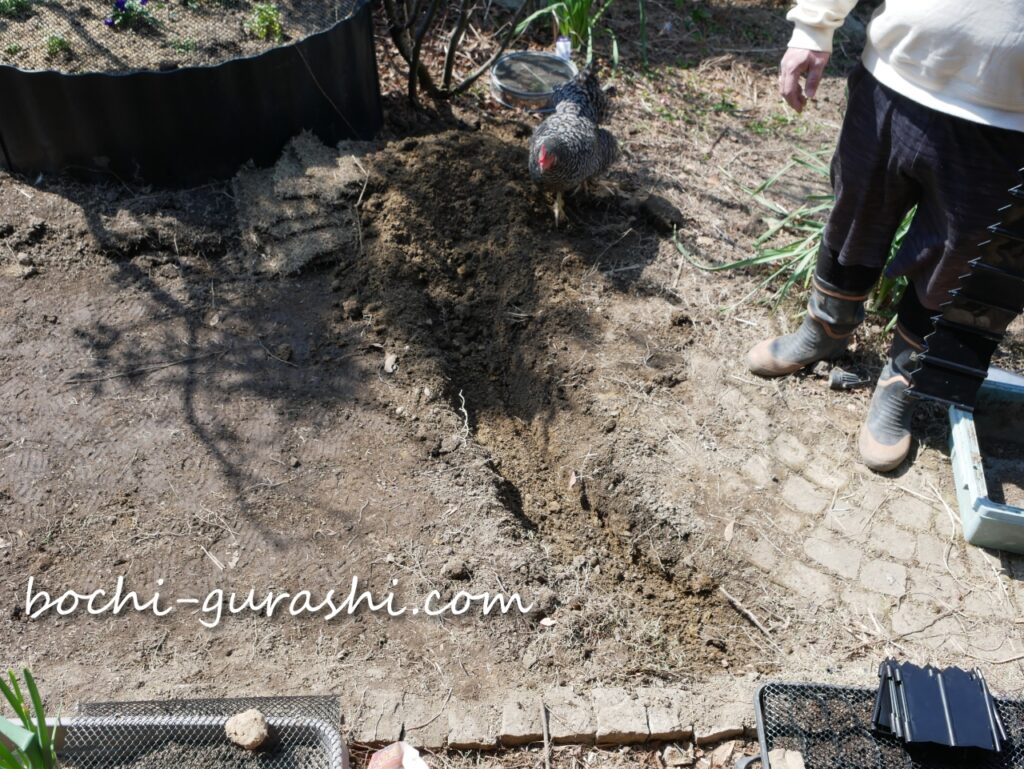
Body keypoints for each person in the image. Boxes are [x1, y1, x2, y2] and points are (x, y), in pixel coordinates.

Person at [747, 0, 1024, 472]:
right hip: (894, 77)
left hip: (1010, 124)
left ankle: (902, 383)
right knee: (855, 216)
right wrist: (813, 27)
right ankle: (825, 329)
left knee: (959, 266)